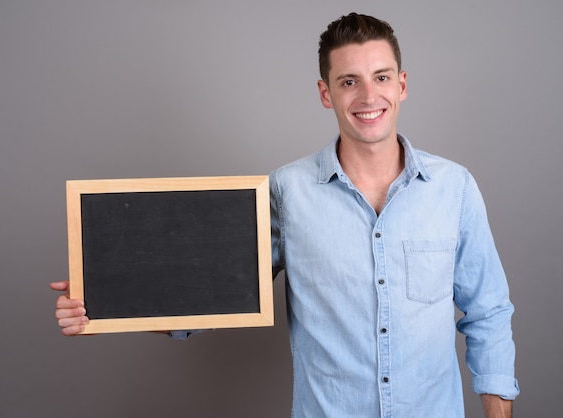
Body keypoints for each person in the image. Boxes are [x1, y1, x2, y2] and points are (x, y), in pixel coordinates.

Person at [51, 12, 519, 418]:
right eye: (348, 81)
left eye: (381, 77)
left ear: (402, 84)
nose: (367, 96)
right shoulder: (283, 192)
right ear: (325, 93)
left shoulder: (453, 188)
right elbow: (205, 298)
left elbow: (488, 312)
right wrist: (101, 296)